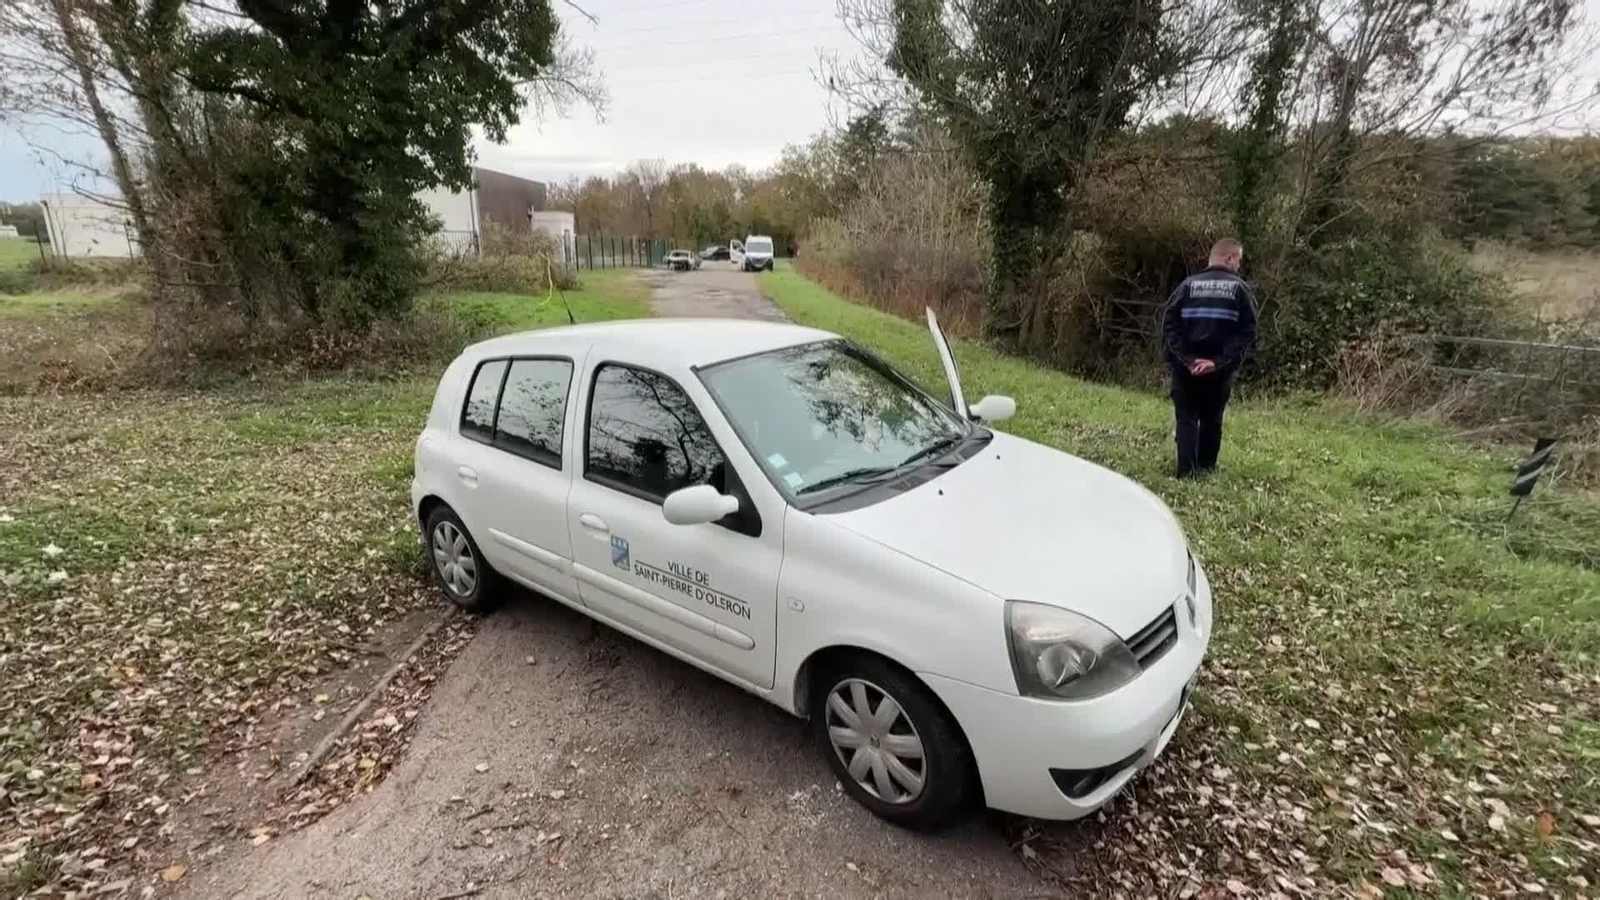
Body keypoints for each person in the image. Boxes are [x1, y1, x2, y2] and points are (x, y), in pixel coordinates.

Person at [1161, 237, 1258, 477]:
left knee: (1186, 418)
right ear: (1230, 258)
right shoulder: (1241, 290)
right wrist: (1218, 362)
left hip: (1186, 370)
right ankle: (1206, 469)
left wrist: (1188, 360)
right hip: (1219, 371)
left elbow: (1169, 326)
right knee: (1212, 420)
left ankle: (1186, 472)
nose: (1239, 266)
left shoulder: (1186, 286)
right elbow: (1248, 331)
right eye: (1239, 260)